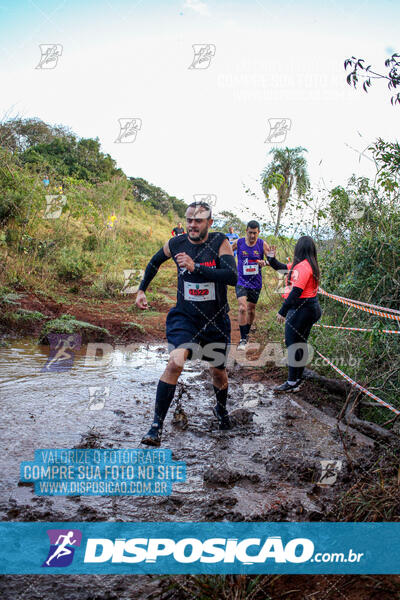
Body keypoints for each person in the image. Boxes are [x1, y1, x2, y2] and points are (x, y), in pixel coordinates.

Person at [136, 201, 238, 446]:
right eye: (190, 220)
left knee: (218, 373)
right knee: (175, 362)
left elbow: (231, 276)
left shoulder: (219, 242)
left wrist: (197, 267)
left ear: (209, 223)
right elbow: (154, 262)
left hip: (215, 321)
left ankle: (220, 409)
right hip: (186, 318)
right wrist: (141, 290)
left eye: (199, 220)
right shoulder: (176, 243)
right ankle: (156, 426)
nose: (193, 225)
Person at [264, 236, 322, 392]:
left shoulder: (303, 267)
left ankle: (291, 382)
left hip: (301, 309)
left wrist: (282, 311)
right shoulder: (307, 264)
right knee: (300, 344)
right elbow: (281, 267)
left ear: (299, 249)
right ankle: (296, 380)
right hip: (309, 308)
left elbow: (296, 291)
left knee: (292, 345)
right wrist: (271, 259)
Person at [231, 221, 270, 349]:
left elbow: (272, 260)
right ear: (246, 231)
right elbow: (227, 252)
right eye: (250, 233)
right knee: (242, 308)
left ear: (258, 232)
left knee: (251, 310)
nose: (252, 236)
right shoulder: (239, 242)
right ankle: (242, 339)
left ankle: (246, 333)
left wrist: (265, 262)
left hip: (255, 282)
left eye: (255, 233)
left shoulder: (262, 244)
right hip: (241, 281)